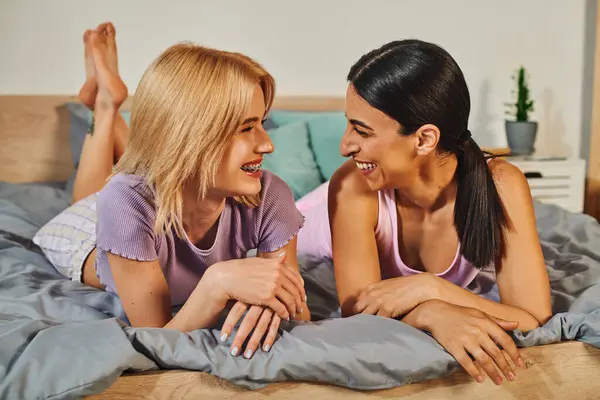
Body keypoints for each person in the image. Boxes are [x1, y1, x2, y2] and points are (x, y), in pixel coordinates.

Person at [33, 22, 310, 359]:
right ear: (191, 137)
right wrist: (217, 282)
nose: (266, 144)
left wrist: (274, 307)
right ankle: (105, 107)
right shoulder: (124, 201)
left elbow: (296, 309)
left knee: (137, 171)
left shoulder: (270, 195)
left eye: (262, 124)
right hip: (85, 235)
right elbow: (156, 338)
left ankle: (107, 101)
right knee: (96, 196)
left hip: (155, 187)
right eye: (246, 127)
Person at [296, 39, 552, 385]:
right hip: (312, 221)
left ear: (424, 139)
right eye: (349, 125)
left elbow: (532, 317)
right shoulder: (351, 186)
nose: (344, 146)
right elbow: (358, 312)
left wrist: (432, 289)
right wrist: (431, 313)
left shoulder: (501, 185)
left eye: (361, 131)